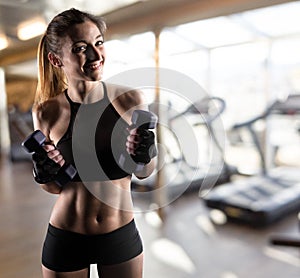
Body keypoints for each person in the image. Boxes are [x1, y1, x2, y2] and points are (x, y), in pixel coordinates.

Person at [31, 8, 157, 278]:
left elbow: (144, 172)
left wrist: (145, 154)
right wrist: (44, 173)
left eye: (98, 43)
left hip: (119, 235)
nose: (96, 55)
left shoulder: (129, 100)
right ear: (56, 59)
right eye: (80, 48)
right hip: (66, 238)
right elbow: (54, 188)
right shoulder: (46, 112)